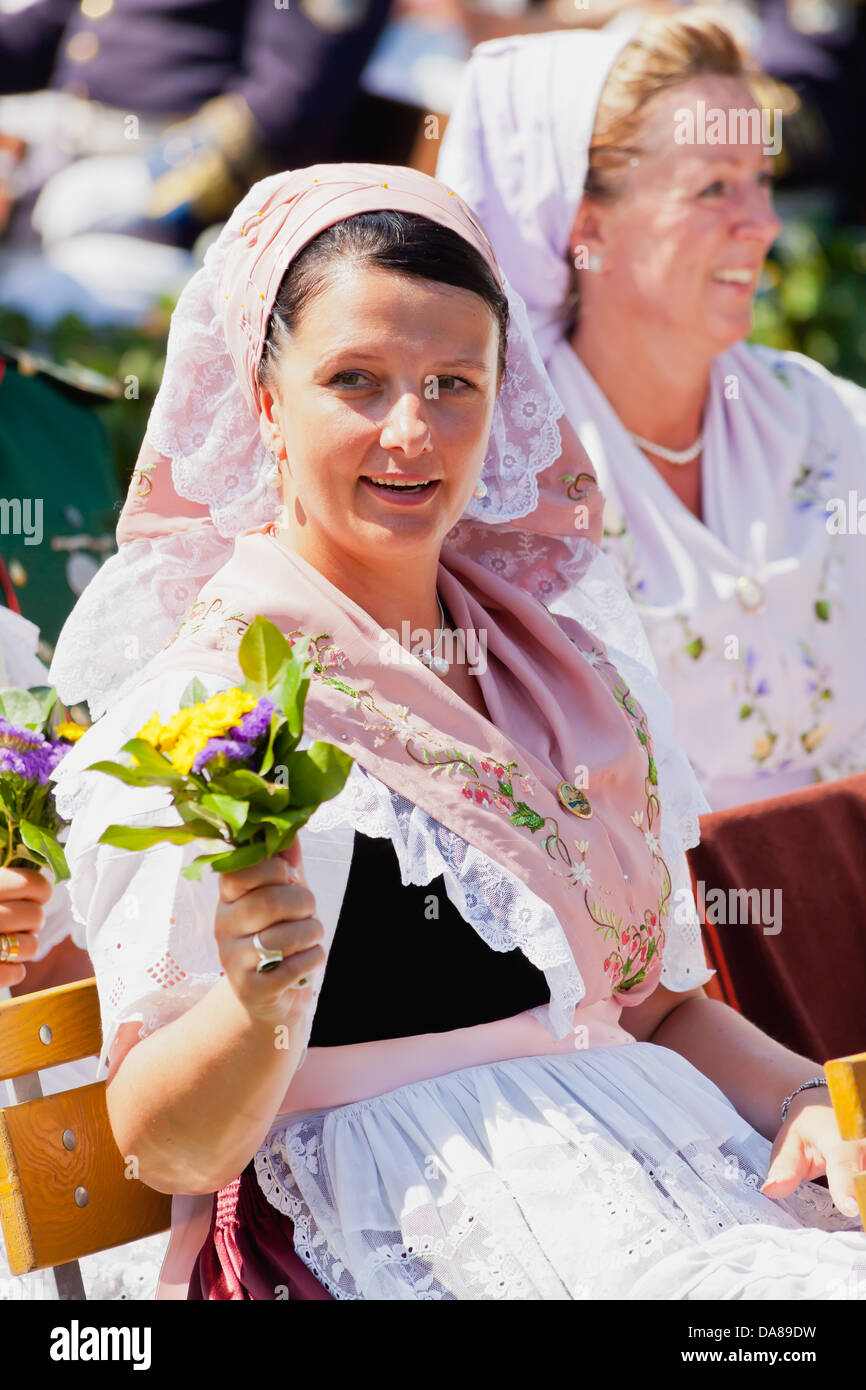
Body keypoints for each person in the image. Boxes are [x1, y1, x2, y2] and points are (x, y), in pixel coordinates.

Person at [51, 164, 865, 1301]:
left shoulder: (556, 675)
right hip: (398, 1226)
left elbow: (658, 1004)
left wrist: (807, 1102)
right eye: (356, 381)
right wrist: (252, 1004)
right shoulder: (209, 714)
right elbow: (163, 1147)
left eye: (451, 384)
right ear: (266, 400)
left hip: (660, 1181)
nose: (409, 431)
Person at [437, 14, 866, 812]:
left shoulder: (826, 421)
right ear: (586, 223)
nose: (764, 223)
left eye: (763, 180)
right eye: (714, 187)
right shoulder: (499, 478)